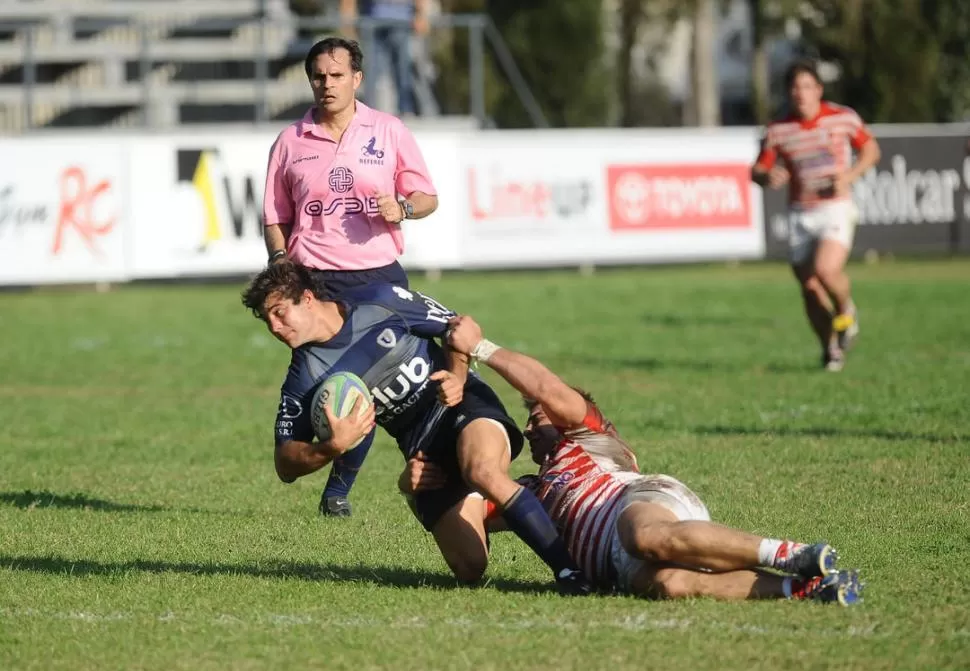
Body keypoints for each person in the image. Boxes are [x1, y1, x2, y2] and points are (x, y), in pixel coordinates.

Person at [400, 314, 864, 604]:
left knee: (645, 536)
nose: (529, 427)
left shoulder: (590, 436)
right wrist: (418, 487)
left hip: (638, 504)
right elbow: (465, 522)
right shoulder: (529, 493)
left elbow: (546, 389)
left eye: (538, 419)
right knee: (671, 585)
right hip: (616, 567)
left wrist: (481, 349)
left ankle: (796, 554)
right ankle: (804, 588)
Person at [240, 263, 591, 595]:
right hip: (421, 448)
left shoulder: (381, 302)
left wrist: (456, 375)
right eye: (265, 319)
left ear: (308, 298)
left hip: (463, 405)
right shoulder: (304, 377)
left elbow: (458, 327)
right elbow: (285, 463)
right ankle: (516, 498)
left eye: (279, 312)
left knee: (481, 469)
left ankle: (569, 572)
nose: (273, 327)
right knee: (470, 567)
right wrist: (330, 447)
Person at [263, 36, 438, 516]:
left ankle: (435, 463)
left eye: (337, 75)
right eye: (319, 76)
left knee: (395, 380)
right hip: (316, 281)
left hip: (379, 276)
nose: (327, 84)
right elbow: (276, 216)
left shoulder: (389, 130)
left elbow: (427, 198)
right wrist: (281, 264)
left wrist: (401, 207)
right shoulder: (290, 142)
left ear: (357, 79)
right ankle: (338, 490)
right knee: (336, 389)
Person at [751, 59, 881, 372]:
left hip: (834, 207)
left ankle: (846, 309)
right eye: (795, 87)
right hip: (800, 215)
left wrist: (849, 175)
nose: (801, 93)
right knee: (809, 289)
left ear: (819, 90)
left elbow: (871, 150)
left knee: (825, 270)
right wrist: (767, 177)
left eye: (807, 86)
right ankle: (830, 349)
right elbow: (757, 169)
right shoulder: (779, 129)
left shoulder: (842, 118)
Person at [340, 0, 430, 116]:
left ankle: (405, 109)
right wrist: (348, 17)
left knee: (403, 69)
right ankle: (368, 111)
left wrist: (421, 15)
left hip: (400, 21)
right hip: (373, 21)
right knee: (372, 71)